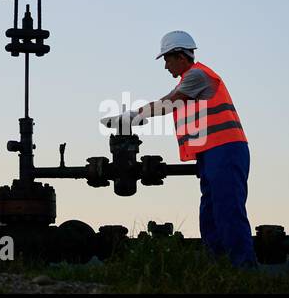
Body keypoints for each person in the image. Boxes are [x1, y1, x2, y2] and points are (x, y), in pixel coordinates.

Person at [103, 30, 256, 267]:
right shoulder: (191, 79)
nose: (165, 66)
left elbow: (169, 102)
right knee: (210, 216)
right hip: (212, 153)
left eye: (167, 59)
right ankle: (220, 271)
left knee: (228, 211)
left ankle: (244, 271)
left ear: (180, 56)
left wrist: (133, 115)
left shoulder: (197, 76)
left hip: (225, 150)